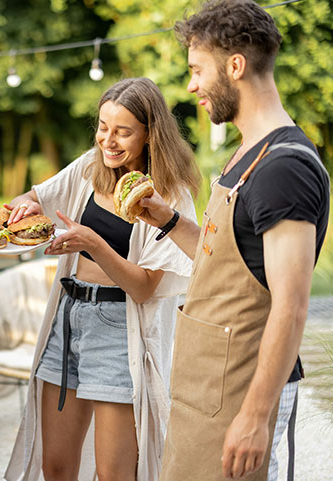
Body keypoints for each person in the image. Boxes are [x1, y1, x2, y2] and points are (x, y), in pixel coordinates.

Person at [137, 2, 330, 480]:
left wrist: (256, 417)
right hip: (204, 394)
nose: (192, 86)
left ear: (235, 66)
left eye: (197, 70)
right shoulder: (246, 153)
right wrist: (166, 220)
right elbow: (223, 260)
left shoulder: (284, 168)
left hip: (241, 400)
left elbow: (291, 305)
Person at [4, 77, 201, 481]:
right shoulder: (89, 168)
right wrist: (24, 207)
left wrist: (92, 243)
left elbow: (144, 287)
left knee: (115, 473)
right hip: (67, 317)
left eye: (123, 132)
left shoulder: (170, 196)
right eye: (103, 127)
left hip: (117, 330)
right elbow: (35, 197)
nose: (108, 141)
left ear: (150, 134)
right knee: (55, 467)